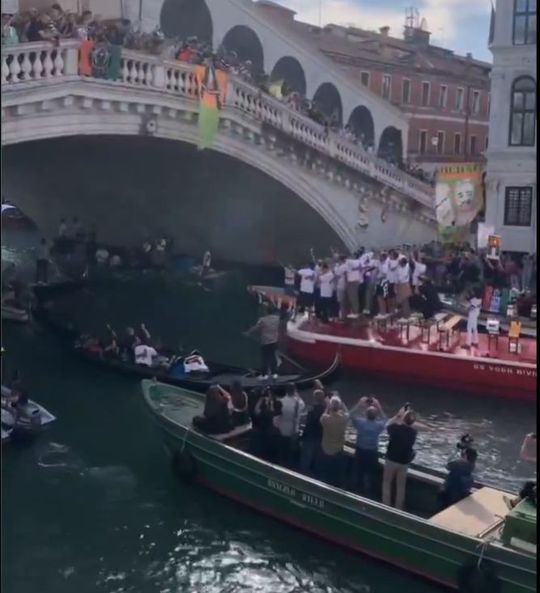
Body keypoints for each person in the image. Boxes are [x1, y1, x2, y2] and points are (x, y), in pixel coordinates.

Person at [350, 396, 387, 496]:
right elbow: (385, 420)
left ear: (366, 414)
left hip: (360, 450)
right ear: (375, 416)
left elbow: (351, 414)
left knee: (358, 471)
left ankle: (356, 490)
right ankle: (369, 492)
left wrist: (359, 404)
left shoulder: (360, 423)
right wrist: (378, 406)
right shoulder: (378, 425)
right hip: (372, 452)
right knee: (370, 473)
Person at [382, 406, 418, 509]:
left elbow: (387, 425)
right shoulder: (413, 433)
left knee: (387, 483)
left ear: (403, 418)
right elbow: (410, 424)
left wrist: (398, 415)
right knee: (401, 487)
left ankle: (386, 506)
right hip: (403, 462)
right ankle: (398, 508)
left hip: (391, 460)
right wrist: (406, 417)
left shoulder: (395, 428)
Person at [244, 304, 280, 380]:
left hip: (265, 342)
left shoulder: (262, 320)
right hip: (274, 341)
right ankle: (274, 373)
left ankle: (264, 375)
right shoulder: (277, 319)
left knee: (265, 358)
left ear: (266, 311)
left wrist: (247, 332)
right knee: (273, 357)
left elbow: (255, 328)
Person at [319, 394, 349, 486]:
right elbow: (347, 412)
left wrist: (328, 406)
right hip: (338, 450)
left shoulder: (325, 419)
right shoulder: (343, 419)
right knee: (338, 473)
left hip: (326, 450)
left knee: (326, 473)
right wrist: (342, 404)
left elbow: (323, 415)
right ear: (339, 407)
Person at [274, 383, 305, 467]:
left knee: (283, 453)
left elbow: (276, 419)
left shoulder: (280, 402)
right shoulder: (300, 403)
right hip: (294, 432)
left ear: (286, 391)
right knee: (292, 453)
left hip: (283, 431)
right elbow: (301, 403)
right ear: (294, 390)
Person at [299, 389, 326, 476]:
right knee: (317, 458)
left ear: (314, 398)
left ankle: (303, 476)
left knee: (306, 458)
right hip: (320, 437)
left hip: (310, 437)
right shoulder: (326, 411)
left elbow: (307, 423)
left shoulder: (311, 410)